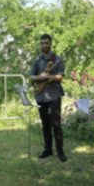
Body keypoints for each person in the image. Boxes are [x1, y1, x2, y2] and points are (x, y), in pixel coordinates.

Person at [29, 34, 67, 162]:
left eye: (46, 43)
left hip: (54, 95)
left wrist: (48, 77)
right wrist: (40, 78)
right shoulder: (38, 60)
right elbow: (31, 77)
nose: (44, 45)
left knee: (56, 124)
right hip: (41, 95)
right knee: (45, 124)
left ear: (51, 44)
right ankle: (48, 150)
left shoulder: (58, 59)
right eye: (42, 43)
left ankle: (60, 152)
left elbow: (60, 78)